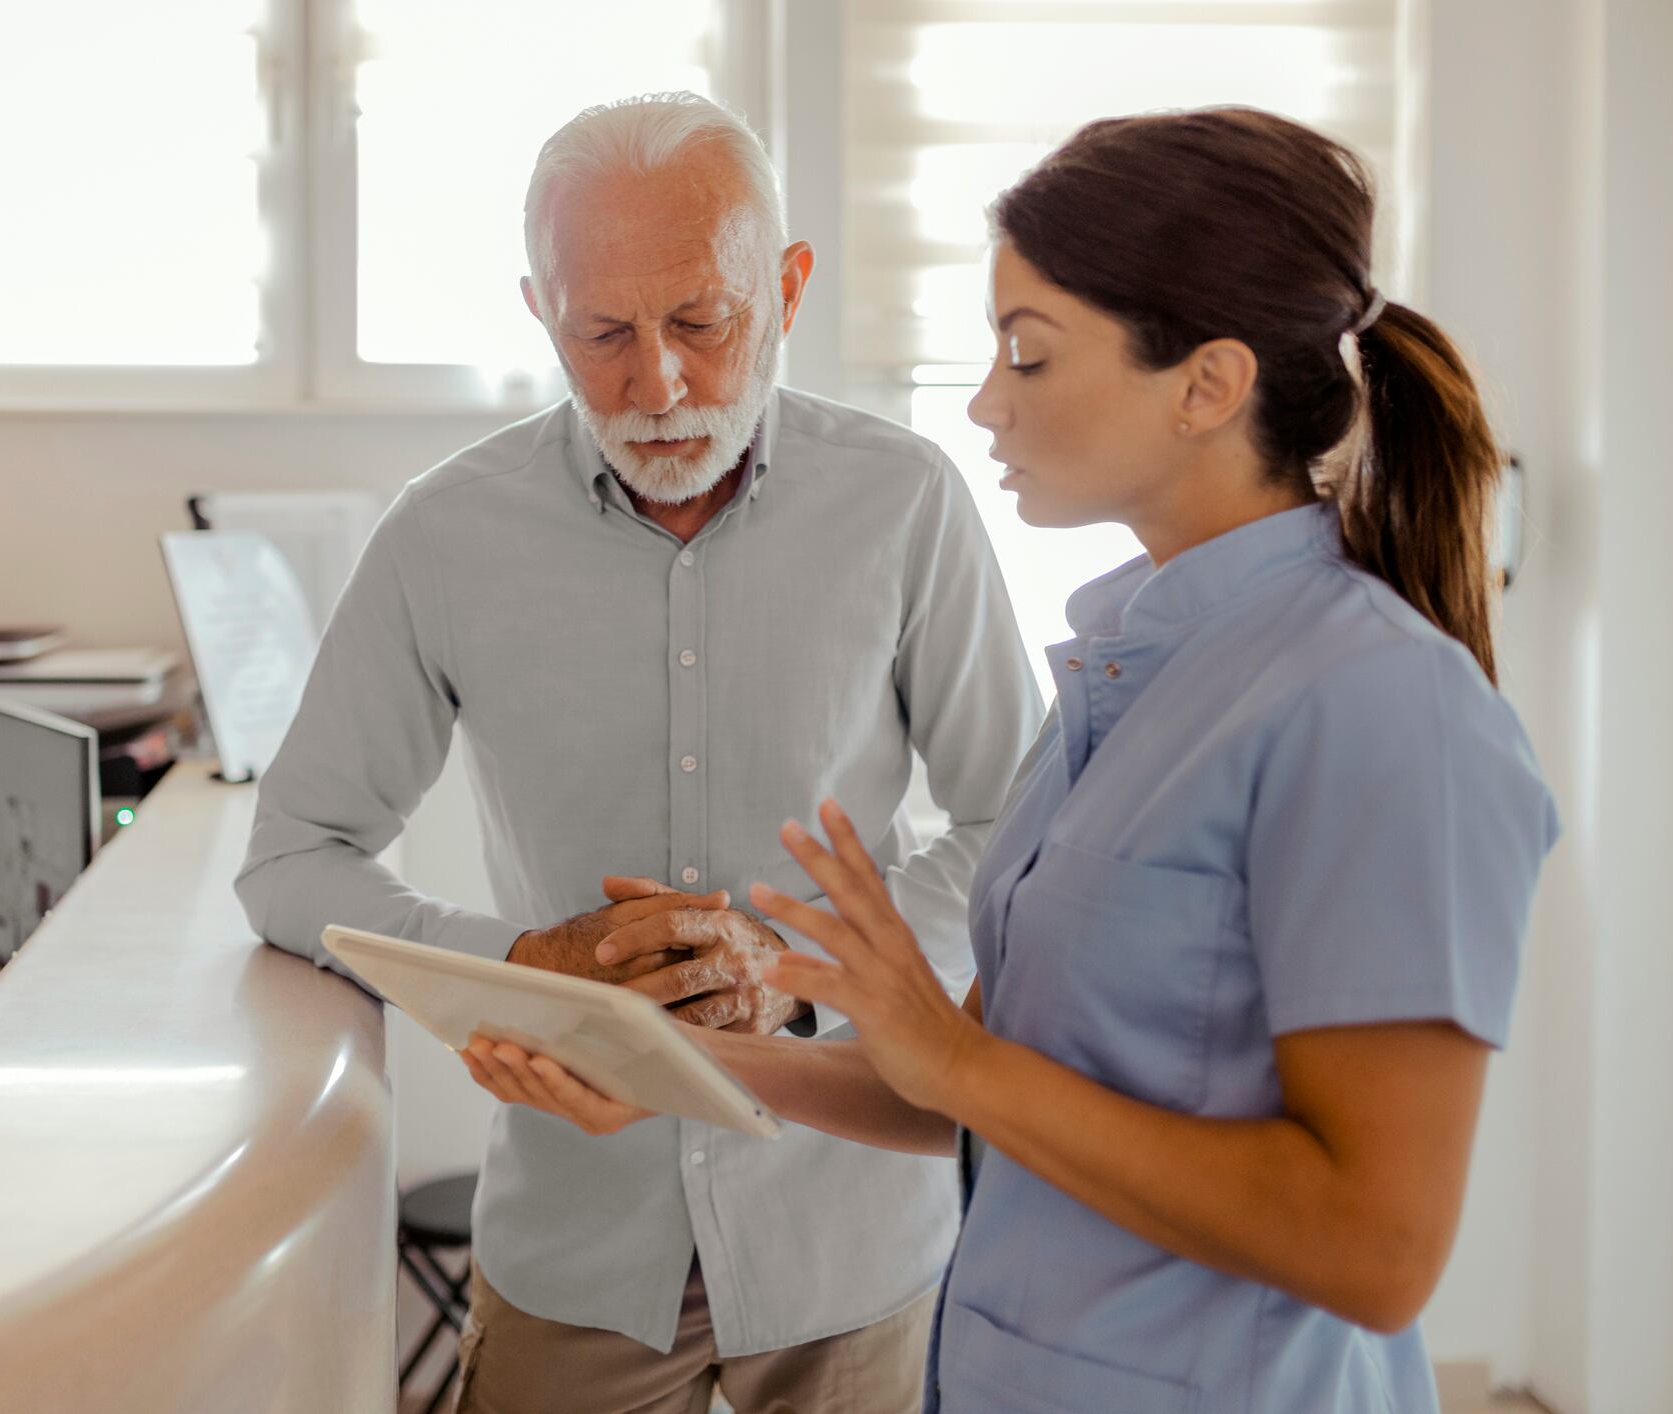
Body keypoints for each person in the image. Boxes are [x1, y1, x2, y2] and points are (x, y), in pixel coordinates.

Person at [463, 106, 1559, 1413]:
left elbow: (1377, 1252)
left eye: (1029, 355)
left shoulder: (1381, 708)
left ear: (1208, 385)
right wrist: (662, 1064)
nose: (986, 400)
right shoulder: (1125, 677)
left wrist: (955, 1059)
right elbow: (966, 1085)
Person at [237, 94, 1042, 1410]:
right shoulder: (444, 535)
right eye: (601, 331)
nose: (656, 383)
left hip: (855, 1233)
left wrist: (792, 973)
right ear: (539, 310)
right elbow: (291, 858)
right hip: (578, 1246)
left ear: (785, 288)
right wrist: (514, 968)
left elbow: (1018, 824)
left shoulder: (906, 502)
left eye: (701, 323)